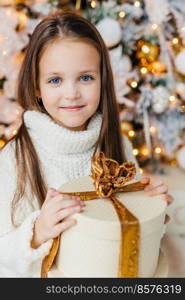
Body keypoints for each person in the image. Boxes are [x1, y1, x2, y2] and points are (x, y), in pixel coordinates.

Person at [0, 11, 172, 277]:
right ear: (36, 87)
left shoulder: (118, 144)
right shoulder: (14, 160)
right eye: (55, 80)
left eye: (85, 77)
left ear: (102, 80)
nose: (72, 93)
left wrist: (152, 213)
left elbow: (127, 235)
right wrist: (38, 231)